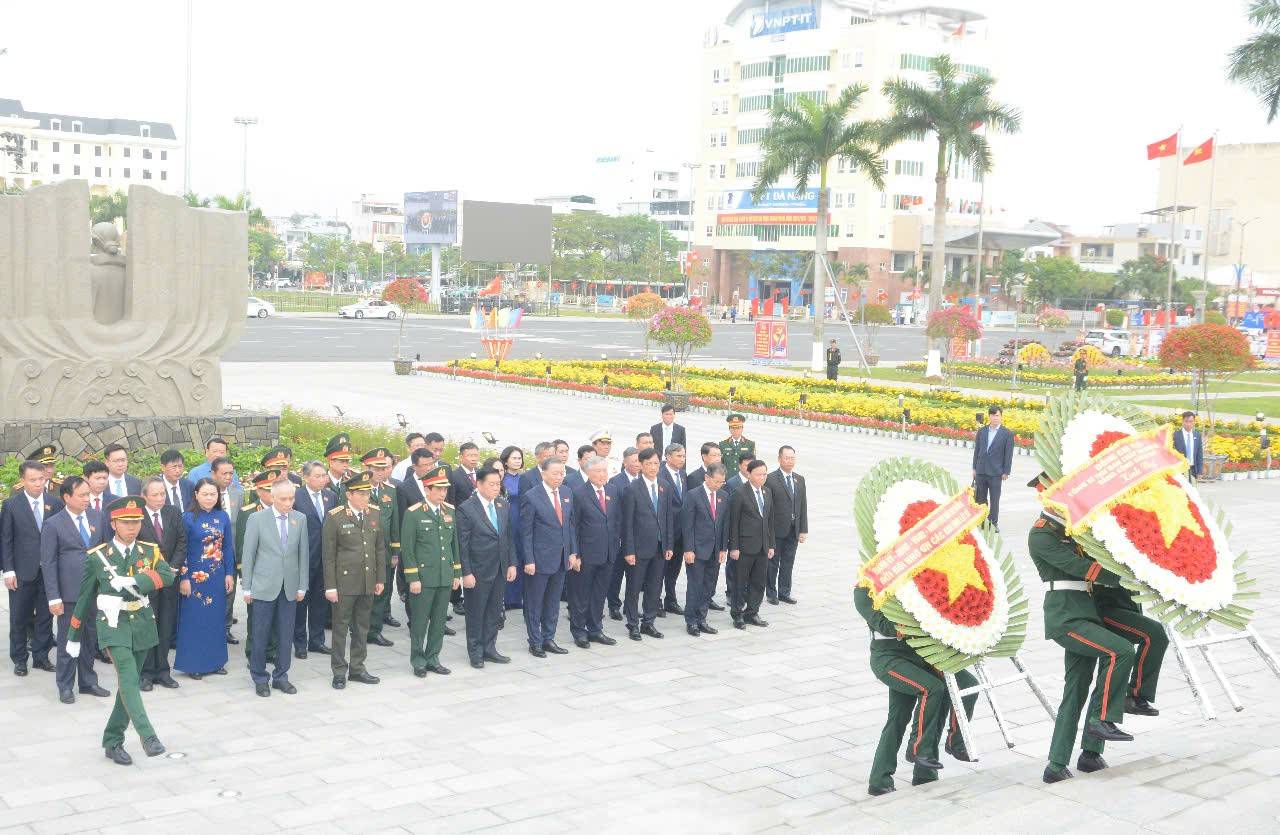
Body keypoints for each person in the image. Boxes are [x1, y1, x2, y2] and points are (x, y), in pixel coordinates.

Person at [1028, 477, 1138, 783]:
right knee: (1120, 651)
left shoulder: (1075, 529)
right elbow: (1084, 569)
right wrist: (1129, 577)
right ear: (1046, 500)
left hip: (1086, 613)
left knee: (1075, 689)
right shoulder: (1040, 535)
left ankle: (1074, 758)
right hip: (1066, 617)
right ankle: (1102, 720)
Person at [65, 496, 176, 766]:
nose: (132, 527)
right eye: (126, 523)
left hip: (142, 623)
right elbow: (83, 598)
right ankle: (148, 736)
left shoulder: (149, 551)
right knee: (128, 678)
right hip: (113, 624)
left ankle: (112, 740)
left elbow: (169, 575)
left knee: (127, 686)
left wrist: (136, 580)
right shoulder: (98, 557)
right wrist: (73, 636)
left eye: (136, 522)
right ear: (114, 523)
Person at [855, 585, 977, 795]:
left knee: (965, 684)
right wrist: (919, 622)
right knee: (926, 695)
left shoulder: (914, 580)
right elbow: (884, 625)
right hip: (890, 659)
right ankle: (911, 755)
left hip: (922, 655)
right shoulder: (864, 589)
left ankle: (943, 752)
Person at [41, 476, 110, 703]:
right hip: (69, 594)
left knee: (91, 638)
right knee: (68, 640)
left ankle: (88, 682)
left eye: (88, 494)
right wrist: (54, 597)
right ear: (66, 497)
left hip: (94, 591)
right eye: (81, 495)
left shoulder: (96, 517)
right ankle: (65, 685)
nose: (86, 499)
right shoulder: (53, 524)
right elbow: (48, 563)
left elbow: (103, 552)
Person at [240, 479, 308, 697]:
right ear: (272, 497)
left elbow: (303, 555)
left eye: (292, 498)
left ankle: (281, 676)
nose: (289, 503)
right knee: (260, 634)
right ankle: (260, 677)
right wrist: (247, 587)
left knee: (285, 634)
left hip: (289, 586)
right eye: (284, 499)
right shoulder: (257, 519)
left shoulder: (300, 519)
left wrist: (302, 585)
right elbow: (248, 554)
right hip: (263, 586)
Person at [323, 471, 385, 690]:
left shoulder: (374, 514)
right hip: (344, 582)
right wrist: (330, 586)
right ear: (349, 495)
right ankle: (339, 671)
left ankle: (358, 668)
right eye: (360, 493)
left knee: (362, 627)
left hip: (367, 580)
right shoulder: (335, 516)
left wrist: (380, 578)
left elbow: (379, 548)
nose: (365, 497)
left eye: (367, 493)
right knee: (340, 627)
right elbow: (328, 555)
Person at [401, 465, 461, 677]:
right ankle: (418, 660)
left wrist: (456, 574)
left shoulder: (450, 511)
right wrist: (413, 577)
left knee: (438, 621)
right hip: (424, 578)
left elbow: (454, 546)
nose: (443, 493)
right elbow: (407, 548)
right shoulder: (414, 513)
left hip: (444, 576)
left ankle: (433, 658)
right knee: (419, 621)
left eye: (445, 489)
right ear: (427, 490)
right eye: (438, 489)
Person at [174, 478, 235, 679]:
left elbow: (227, 548)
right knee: (195, 621)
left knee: (216, 620)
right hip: (194, 578)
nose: (209, 498)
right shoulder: (188, 518)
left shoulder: (223, 516)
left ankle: (216, 662)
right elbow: (180, 549)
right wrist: (183, 577)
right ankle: (194, 664)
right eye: (205, 494)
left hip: (217, 577)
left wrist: (229, 573)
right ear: (196, 495)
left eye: (213, 494)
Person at [457, 467, 517, 668]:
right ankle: (475, 651)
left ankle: (490, 648)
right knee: (476, 612)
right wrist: (466, 572)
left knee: (493, 611)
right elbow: (462, 545)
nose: (495, 488)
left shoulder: (502, 504)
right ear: (479, 484)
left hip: (500, 568)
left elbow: (508, 537)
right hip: (478, 570)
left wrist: (511, 564)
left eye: (498, 484)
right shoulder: (467, 508)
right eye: (491, 484)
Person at [3, 460, 59, 676]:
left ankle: (41, 657)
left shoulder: (54, 503)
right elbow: (6, 540)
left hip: (48, 572)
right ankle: (19, 659)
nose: (38, 484)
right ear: (22, 480)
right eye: (33, 480)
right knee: (19, 617)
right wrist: (8, 570)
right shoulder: (11, 505)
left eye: (41, 479)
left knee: (46, 616)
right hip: (22, 572)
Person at [519, 457, 577, 657]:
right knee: (535, 602)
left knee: (553, 602)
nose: (559, 477)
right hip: (539, 559)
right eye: (555, 473)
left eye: (562, 473)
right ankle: (534, 640)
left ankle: (548, 638)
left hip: (561, 558)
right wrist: (529, 560)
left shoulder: (567, 493)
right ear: (543, 474)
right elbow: (525, 532)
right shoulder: (531, 496)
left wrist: (572, 552)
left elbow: (570, 526)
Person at [137, 477, 186, 691]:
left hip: (169, 581)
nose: (160, 499)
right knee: (148, 627)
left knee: (166, 626)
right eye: (155, 495)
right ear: (144, 496)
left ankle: (163, 671)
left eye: (162, 494)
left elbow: (182, 542)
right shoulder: (137, 516)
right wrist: (150, 574)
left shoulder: (173, 512)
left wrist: (172, 569)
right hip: (147, 581)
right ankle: (146, 673)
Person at [620, 447, 673, 641]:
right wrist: (629, 550)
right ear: (641, 465)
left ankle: (648, 622)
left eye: (656, 463)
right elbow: (627, 523)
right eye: (649, 463)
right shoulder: (632, 489)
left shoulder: (664, 486)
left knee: (655, 587)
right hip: (639, 548)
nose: (653, 467)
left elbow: (668, 518)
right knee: (634, 587)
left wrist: (668, 545)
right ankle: (633, 624)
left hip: (659, 548)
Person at [569, 456, 621, 648]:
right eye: (598, 471)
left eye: (604, 471)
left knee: (599, 594)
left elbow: (616, 521)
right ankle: (579, 631)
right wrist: (576, 554)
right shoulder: (579, 493)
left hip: (608, 553)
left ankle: (595, 629)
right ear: (589, 472)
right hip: (586, 554)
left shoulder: (612, 491)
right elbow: (573, 526)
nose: (602, 475)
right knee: (581, 595)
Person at [293, 462, 336, 658]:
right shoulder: (296, 496)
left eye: (324, 476)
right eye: (318, 476)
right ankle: (300, 643)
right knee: (301, 602)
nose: (323, 479)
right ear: (306, 477)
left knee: (320, 601)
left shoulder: (331, 496)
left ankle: (317, 640)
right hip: (303, 557)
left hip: (325, 557)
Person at [681, 462, 728, 637]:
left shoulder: (723, 496)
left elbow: (724, 524)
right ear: (707, 477)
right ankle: (691, 621)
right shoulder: (693, 495)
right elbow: (687, 526)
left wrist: (723, 547)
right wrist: (688, 549)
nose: (718, 485)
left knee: (709, 586)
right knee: (695, 585)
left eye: (722, 482)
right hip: (697, 550)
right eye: (716, 481)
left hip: (715, 551)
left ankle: (702, 618)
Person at [727, 459, 774, 629]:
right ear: (749, 474)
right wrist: (734, 547)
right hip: (744, 547)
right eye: (759, 474)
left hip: (762, 546)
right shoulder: (740, 493)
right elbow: (734, 522)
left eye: (765, 474)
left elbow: (770, 521)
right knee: (740, 582)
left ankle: (752, 612)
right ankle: (737, 613)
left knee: (758, 582)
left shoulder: (767, 492)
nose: (762, 477)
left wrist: (771, 545)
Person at [364, 448, 403, 647]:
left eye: (383, 468)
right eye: (376, 468)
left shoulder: (390, 492)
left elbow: (395, 523)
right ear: (367, 468)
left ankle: (374, 631)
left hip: (385, 551)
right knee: (363, 592)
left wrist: (395, 551)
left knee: (383, 591)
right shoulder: (356, 490)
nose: (380, 472)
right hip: (363, 551)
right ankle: (360, 628)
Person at [764, 445, 807, 606]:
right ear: (779, 459)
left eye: (792, 458)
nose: (790, 461)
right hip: (776, 529)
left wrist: (803, 529)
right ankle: (771, 592)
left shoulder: (799, 479)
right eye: (787, 458)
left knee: (788, 562)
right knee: (773, 562)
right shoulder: (770, 478)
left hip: (793, 529)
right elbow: (767, 507)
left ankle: (784, 592)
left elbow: (803, 505)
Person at [606, 447, 641, 621]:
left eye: (639, 461)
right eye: (634, 461)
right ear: (625, 462)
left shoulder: (644, 480)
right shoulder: (615, 482)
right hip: (620, 535)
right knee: (616, 573)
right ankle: (613, 605)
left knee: (635, 575)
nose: (637, 464)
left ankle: (631, 606)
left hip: (639, 537)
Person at [972, 406, 1014, 530]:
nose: (995, 418)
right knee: (981, 498)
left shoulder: (1007, 434)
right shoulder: (982, 431)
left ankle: (993, 523)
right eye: (993, 415)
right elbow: (977, 450)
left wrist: (1006, 471)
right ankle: (981, 521)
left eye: (998, 415)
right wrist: (974, 467)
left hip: (996, 472)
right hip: (981, 470)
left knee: (995, 499)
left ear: (1001, 416)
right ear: (989, 416)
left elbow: (1008, 454)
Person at [658, 443, 688, 616]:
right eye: (678, 456)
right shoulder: (660, 475)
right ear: (668, 457)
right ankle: (655, 601)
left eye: (683, 456)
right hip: (665, 531)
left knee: (674, 568)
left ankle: (671, 599)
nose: (682, 459)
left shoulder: (683, 475)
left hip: (680, 531)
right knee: (659, 570)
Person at [500, 446, 527, 612]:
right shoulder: (501, 479)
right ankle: (506, 597)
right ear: (506, 460)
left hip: (522, 521)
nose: (517, 461)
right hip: (508, 519)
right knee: (508, 556)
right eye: (514, 458)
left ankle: (517, 597)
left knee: (520, 556)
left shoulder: (526, 478)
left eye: (519, 458)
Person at [398, 448, 437, 516]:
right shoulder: (404, 488)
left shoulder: (439, 483)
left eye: (431, 464)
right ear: (414, 467)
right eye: (425, 465)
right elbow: (403, 517)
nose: (429, 468)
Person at [158, 449, 194, 513]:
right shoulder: (156, 486)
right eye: (174, 467)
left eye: (180, 466)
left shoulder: (189, 485)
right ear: (163, 467)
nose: (178, 470)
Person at [1173, 411, 1203, 479]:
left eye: (1191, 421)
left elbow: (1199, 455)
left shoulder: (1197, 435)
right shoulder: (1176, 435)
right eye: (1186, 421)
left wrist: (1200, 471)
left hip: (1193, 470)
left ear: (1194, 422)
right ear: (1182, 422)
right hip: (1180, 470)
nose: (1188, 424)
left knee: (1192, 489)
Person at [325, 433, 355, 498]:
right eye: (342, 461)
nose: (345, 465)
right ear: (331, 462)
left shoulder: (352, 481)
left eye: (347, 461)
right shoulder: (320, 480)